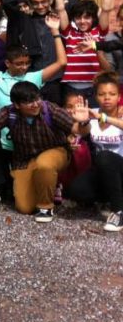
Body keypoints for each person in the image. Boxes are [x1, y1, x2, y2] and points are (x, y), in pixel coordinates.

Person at [0, 81, 90, 223]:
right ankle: (49, 183)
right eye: (29, 101)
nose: (35, 104)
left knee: (44, 164)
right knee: (24, 207)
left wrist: (84, 122)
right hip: (25, 160)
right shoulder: (9, 113)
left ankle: (45, 207)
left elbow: (78, 130)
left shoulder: (50, 109)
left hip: (56, 151)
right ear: (17, 105)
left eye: (36, 98)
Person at [0, 12, 66, 153]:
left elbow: (62, 62)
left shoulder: (34, 77)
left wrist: (55, 31)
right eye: (19, 64)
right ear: (7, 63)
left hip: (31, 143)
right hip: (5, 143)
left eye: (27, 63)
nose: (24, 67)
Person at [63, 72, 123, 232]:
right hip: (103, 170)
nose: (107, 98)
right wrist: (83, 121)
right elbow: (82, 132)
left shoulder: (120, 113)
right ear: (96, 96)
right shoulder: (91, 113)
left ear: (119, 97)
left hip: (120, 167)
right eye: (102, 94)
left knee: (104, 157)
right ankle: (106, 199)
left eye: (112, 94)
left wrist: (105, 118)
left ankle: (118, 212)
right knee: (75, 190)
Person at [52, 0, 116, 103]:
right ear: (74, 18)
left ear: (93, 18)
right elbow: (61, 8)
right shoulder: (69, 32)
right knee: (72, 122)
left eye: (86, 17)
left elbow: (106, 9)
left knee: (94, 121)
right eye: (78, 17)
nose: (82, 21)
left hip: (94, 87)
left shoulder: (98, 32)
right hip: (70, 88)